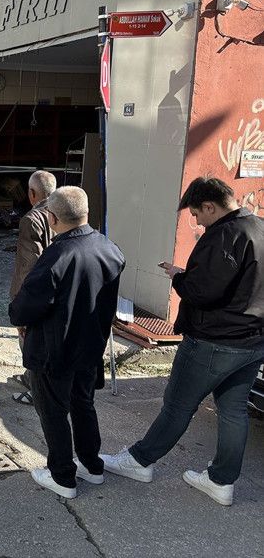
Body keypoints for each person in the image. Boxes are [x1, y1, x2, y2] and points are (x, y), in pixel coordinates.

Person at [101, 178, 264, 507]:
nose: (197, 222)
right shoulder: (258, 226)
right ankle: (221, 481)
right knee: (233, 410)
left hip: (213, 340)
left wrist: (179, 277)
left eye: (197, 214)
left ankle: (139, 461)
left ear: (210, 206)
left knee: (178, 405)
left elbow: (202, 292)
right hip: (253, 340)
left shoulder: (224, 235)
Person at [9, 186, 124, 499]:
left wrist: (17, 315)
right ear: (86, 212)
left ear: (52, 218)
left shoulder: (57, 255)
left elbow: (26, 306)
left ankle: (62, 476)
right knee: (83, 405)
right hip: (90, 347)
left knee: (54, 412)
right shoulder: (109, 248)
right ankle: (92, 465)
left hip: (54, 350)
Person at [9, 170, 57, 406]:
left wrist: (21, 304)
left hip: (36, 293)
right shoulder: (64, 213)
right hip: (58, 290)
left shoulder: (32, 220)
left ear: (32, 193)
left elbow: (28, 267)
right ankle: (32, 378)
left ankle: (36, 389)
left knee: (30, 341)